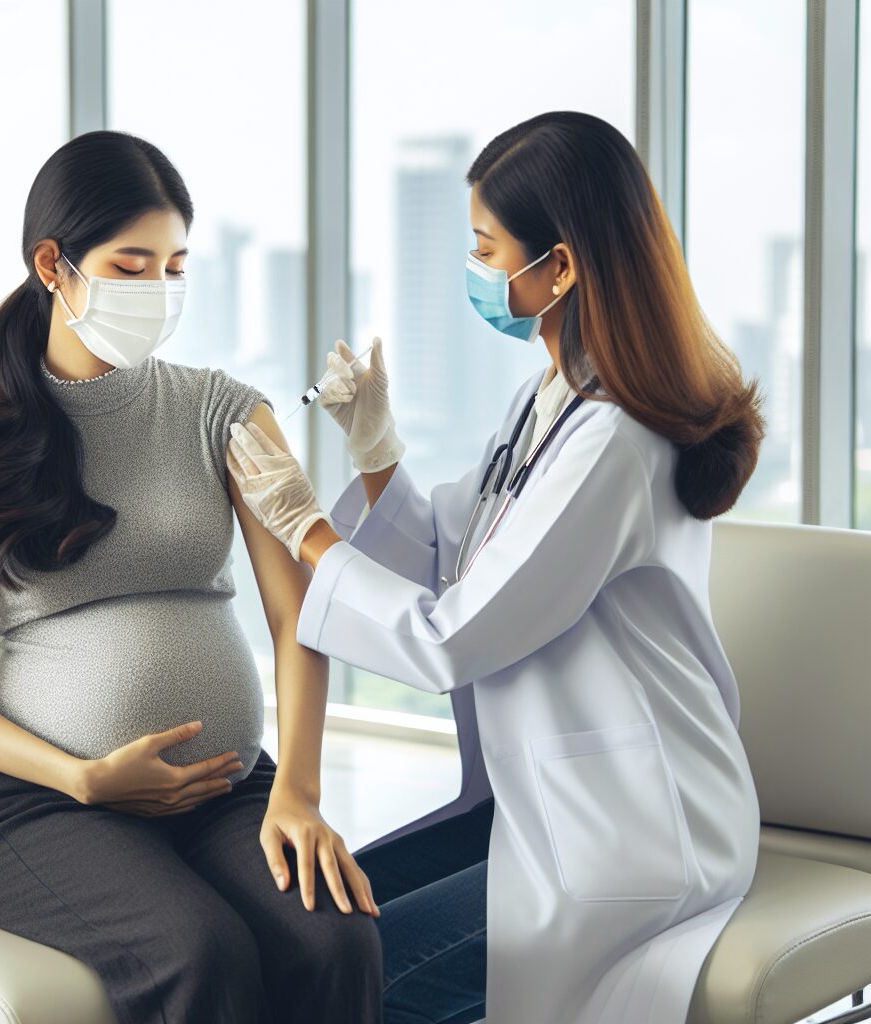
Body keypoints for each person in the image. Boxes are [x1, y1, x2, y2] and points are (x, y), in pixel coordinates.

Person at [226, 110, 768, 1024]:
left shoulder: (615, 441)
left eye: (486, 248)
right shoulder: (554, 395)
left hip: (629, 830)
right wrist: (376, 450)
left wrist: (306, 530)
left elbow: (452, 637)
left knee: (357, 984)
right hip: (547, 801)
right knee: (307, 941)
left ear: (561, 267)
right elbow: (459, 555)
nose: (474, 269)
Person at [0, 129, 381, 1024]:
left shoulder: (226, 413)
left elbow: (299, 618)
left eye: (175, 266)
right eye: (131, 265)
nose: (158, 290)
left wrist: (298, 792)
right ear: (53, 264)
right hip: (47, 808)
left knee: (336, 938)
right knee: (200, 951)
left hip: (226, 791)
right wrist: (80, 777)